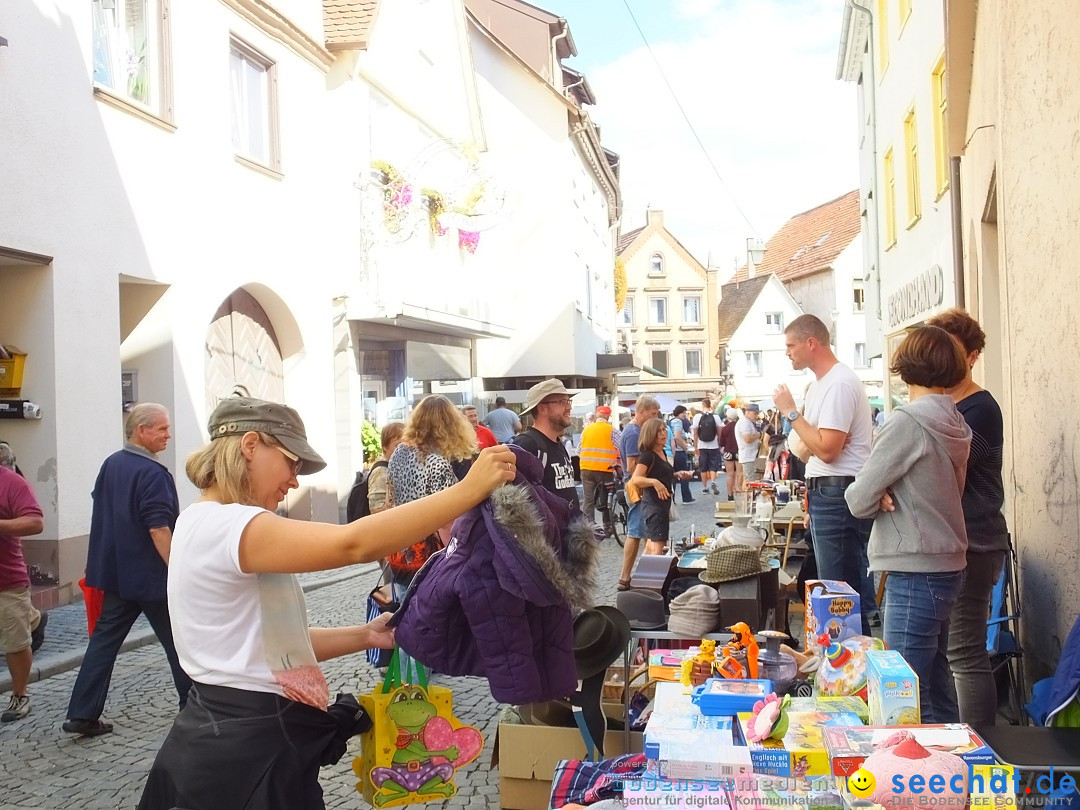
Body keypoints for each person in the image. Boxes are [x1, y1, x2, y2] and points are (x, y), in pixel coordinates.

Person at [137, 396, 515, 810]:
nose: (294, 481)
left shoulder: (198, 521)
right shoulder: (228, 525)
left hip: (226, 739)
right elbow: (352, 543)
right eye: (291, 463)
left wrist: (366, 634)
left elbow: (270, 646)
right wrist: (467, 491)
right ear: (249, 445)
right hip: (247, 755)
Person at [844, 326, 971, 723]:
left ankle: (923, 780)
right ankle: (958, 769)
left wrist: (879, 492)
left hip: (914, 566)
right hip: (946, 562)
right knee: (933, 679)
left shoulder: (907, 422)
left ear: (906, 366)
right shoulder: (955, 421)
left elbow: (857, 499)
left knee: (903, 691)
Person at [64, 403, 191, 737]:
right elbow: (158, 529)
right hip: (151, 577)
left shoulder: (111, 464)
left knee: (103, 643)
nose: (168, 434)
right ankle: (194, 710)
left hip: (117, 574)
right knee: (180, 641)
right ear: (141, 431)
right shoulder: (152, 473)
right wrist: (180, 570)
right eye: (162, 428)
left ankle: (81, 713)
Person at [926, 308, 1010, 726]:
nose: (941, 358)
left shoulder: (979, 409)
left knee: (964, 651)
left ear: (972, 356)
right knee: (945, 652)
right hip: (952, 542)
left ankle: (981, 752)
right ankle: (954, 741)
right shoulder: (942, 406)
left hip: (974, 542)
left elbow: (943, 472)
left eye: (951, 350)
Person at [773, 314, 878, 632]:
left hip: (838, 493)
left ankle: (850, 669)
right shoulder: (823, 385)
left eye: (791, 345)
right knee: (837, 592)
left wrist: (790, 411)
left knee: (840, 595)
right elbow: (808, 448)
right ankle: (844, 669)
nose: (787, 352)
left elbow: (828, 449)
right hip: (827, 493)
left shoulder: (839, 382)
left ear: (811, 343)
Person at [0, 448, 45, 722]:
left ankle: (20, 694)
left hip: (5, 580)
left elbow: (35, 521)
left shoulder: (10, 481)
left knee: (15, 642)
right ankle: (32, 616)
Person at [512, 379, 579, 507]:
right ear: (542, 408)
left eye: (569, 401)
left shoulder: (559, 444)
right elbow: (517, 501)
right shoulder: (527, 444)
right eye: (562, 402)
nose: (569, 407)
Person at [617, 395, 661, 591]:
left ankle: (644, 576)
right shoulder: (634, 433)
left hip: (640, 487)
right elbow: (631, 465)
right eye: (653, 414)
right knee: (635, 532)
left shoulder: (637, 430)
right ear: (641, 411)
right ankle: (625, 578)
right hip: (637, 488)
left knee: (646, 534)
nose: (655, 417)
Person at [632, 418, 693, 556]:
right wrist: (654, 482)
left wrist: (677, 474)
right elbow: (636, 479)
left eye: (664, 429)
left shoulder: (662, 452)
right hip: (654, 506)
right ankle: (653, 576)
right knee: (658, 548)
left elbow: (661, 474)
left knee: (650, 547)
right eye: (658, 431)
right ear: (651, 434)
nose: (663, 433)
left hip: (662, 505)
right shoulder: (647, 455)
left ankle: (641, 576)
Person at [579, 405, 620, 534]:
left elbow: (579, 449)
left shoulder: (586, 430)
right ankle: (607, 526)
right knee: (606, 497)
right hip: (605, 470)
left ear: (597, 415)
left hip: (587, 469)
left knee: (588, 500)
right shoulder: (612, 430)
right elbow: (622, 446)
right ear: (608, 416)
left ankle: (589, 528)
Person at [366, 422, 404, 516]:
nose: (402, 449)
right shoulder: (381, 472)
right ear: (385, 448)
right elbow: (375, 511)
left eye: (405, 444)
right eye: (398, 445)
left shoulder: (396, 466)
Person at [692, 398, 723, 496]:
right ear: (711, 405)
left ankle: (705, 488)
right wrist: (719, 443)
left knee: (703, 467)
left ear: (702, 405)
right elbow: (719, 432)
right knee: (713, 466)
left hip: (702, 446)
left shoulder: (697, 416)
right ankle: (713, 482)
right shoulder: (716, 417)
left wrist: (695, 446)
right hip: (714, 445)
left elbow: (695, 433)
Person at [668, 405, 694, 504]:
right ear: (679, 413)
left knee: (673, 476)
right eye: (683, 412)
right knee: (684, 474)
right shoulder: (678, 422)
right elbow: (677, 437)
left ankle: (672, 499)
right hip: (679, 451)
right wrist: (685, 447)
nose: (685, 415)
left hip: (673, 452)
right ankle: (686, 497)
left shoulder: (671, 421)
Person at [735, 403, 763, 489]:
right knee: (750, 481)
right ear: (748, 412)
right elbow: (747, 439)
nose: (756, 416)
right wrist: (758, 435)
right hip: (748, 455)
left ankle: (746, 498)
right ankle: (748, 498)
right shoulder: (745, 422)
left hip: (748, 455)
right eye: (755, 413)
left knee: (747, 479)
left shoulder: (747, 422)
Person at [718, 407, 739, 501]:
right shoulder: (739, 426)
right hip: (739, 451)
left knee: (729, 474)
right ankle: (738, 493)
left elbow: (721, 442)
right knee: (739, 474)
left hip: (728, 452)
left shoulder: (725, 428)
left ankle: (730, 495)